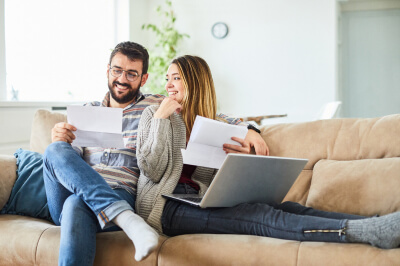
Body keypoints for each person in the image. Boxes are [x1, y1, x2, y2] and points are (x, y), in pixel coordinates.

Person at [135, 55, 400, 249]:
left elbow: (234, 122)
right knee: (259, 217)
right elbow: (152, 170)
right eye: (167, 78)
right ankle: (361, 231)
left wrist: (251, 131)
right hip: (166, 207)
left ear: (195, 82)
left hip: (202, 198)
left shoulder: (212, 119)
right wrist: (160, 119)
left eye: (176, 78)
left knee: (289, 207)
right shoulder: (153, 114)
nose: (168, 84)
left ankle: (378, 223)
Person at [42, 42, 268, 266]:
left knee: (75, 204)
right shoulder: (85, 110)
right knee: (54, 150)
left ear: (144, 79)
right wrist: (61, 139)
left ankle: (119, 212)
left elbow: (203, 109)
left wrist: (250, 129)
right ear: (107, 71)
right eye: (117, 70)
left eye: (132, 74)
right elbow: (66, 162)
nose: (122, 79)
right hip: (75, 189)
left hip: (120, 191)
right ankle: (125, 218)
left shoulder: (157, 105)